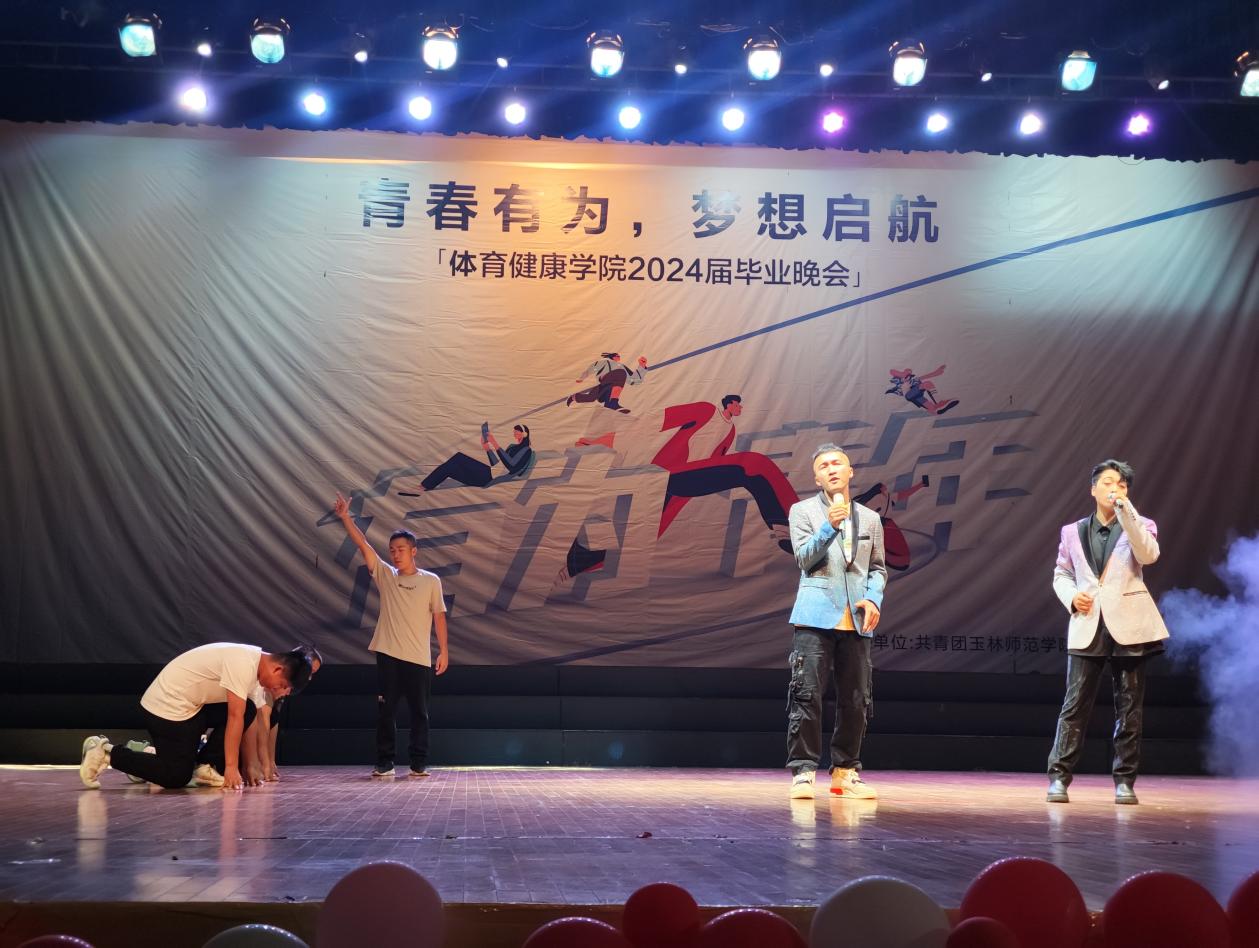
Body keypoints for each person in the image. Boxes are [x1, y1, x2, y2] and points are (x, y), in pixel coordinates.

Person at [1046, 459, 1167, 805]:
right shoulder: (1073, 531)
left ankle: (1125, 781)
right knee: (1075, 704)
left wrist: (1128, 512)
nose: (1116, 489)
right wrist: (1072, 597)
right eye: (1109, 483)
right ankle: (1059, 777)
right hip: (1088, 623)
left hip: (1130, 625)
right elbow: (1061, 573)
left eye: (1122, 485)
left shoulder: (1141, 524)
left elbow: (1149, 555)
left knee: (1129, 706)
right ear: (1093, 489)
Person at [786, 444, 887, 800]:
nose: (831, 469)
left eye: (837, 464)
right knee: (807, 695)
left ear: (850, 471)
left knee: (857, 699)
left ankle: (846, 772)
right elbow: (804, 558)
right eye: (824, 466)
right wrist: (829, 526)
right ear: (817, 477)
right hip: (814, 616)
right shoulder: (802, 511)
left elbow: (877, 568)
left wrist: (873, 598)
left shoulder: (870, 519)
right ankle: (803, 771)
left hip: (856, 620)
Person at [78, 643, 313, 791]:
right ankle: (108, 752)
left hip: (192, 709)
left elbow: (248, 719)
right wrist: (231, 768)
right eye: (283, 685)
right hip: (165, 708)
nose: (280, 691)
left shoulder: (256, 669)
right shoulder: (243, 662)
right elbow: (234, 716)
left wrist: (252, 764)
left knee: (249, 709)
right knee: (175, 777)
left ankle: (202, 765)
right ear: (277, 669)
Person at [334, 492, 449, 777]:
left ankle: (418, 762)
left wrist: (444, 651)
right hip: (388, 654)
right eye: (392, 550)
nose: (395, 554)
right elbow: (363, 544)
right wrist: (346, 517)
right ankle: (385, 762)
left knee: (419, 713)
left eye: (401, 549)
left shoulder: (431, 581)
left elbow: (439, 616)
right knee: (386, 711)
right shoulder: (386, 575)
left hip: (418, 658)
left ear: (413, 551)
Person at [399, 424, 534, 495]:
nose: (514, 433)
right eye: (514, 431)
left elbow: (511, 466)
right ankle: (422, 487)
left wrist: (494, 443)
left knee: (459, 458)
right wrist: (487, 448)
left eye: (517, 431)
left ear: (524, 434)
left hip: (490, 479)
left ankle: (423, 486)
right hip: (489, 472)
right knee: (452, 465)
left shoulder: (526, 450)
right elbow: (498, 464)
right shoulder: (512, 447)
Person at [566, 352, 648, 413]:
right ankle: (612, 403)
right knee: (620, 373)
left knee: (591, 397)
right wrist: (582, 378)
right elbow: (592, 368)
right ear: (612, 356)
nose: (619, 357)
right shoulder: (605, 361)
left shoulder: (622, 367)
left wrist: (642, 366)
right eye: (617, 355)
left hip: (610, 388)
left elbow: (633, 380)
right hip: (605, 381)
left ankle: (610, 403)